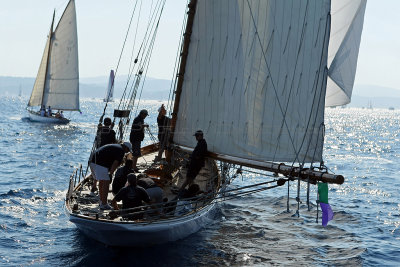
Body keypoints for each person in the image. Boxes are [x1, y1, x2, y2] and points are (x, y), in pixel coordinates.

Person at [90, 142, 132, 210]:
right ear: (126, 147)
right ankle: (104, 204)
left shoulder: (116, 146)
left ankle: (102, 201)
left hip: (93, 162)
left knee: (102, 181)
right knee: (106, 182)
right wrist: (111, 174)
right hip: (100, 164)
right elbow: (115, 163)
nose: (127, 152)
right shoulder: (121, 150)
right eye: (128, 150)